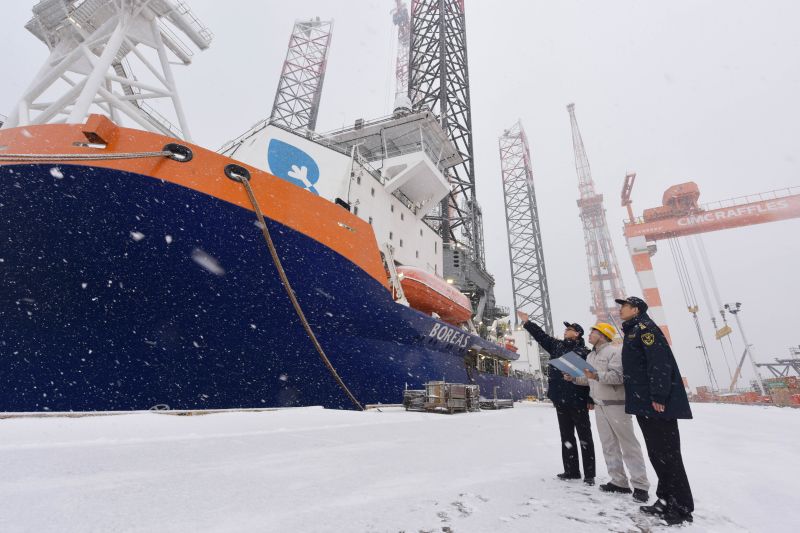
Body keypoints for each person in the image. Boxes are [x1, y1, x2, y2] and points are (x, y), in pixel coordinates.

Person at [616, 296, 694, 526]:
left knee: (668, 455)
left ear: (636, 309)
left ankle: (681, 506)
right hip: (644, 403)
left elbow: (658, 362)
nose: (620, 310)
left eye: (624, 306)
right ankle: (665, 499)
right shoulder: (633, 331)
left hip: (655, 404)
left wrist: (659, 395)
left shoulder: (646, 329)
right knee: (657, 454)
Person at [569, 323, 650, 503]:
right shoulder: (590, 356)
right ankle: (618, 481)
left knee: (629, 445)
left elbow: (618, 377)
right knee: (608, 445)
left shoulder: (615, 352)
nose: (589, 334)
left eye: (593, 332)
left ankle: (641, 485)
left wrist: (596, 375)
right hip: (599, 405)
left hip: (616, 405)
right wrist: (574, 378)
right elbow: (589, 380)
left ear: (603, 335)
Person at [523, 319, 595, 485]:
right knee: (566, 436)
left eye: (569, 329)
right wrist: (527, 323)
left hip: (578, 399)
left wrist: (590, 398)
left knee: (585, 437)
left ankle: (589, 474)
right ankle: (571, 470)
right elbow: (541, 336)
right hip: (561, 399)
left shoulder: (585, 352)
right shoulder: (557, 346)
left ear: (577, 334)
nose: (565, 331)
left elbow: (591, 378)